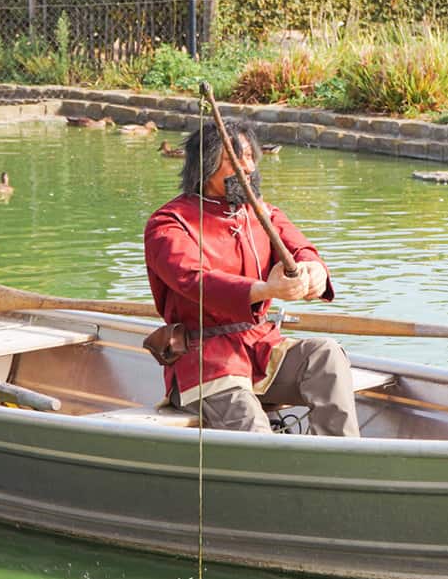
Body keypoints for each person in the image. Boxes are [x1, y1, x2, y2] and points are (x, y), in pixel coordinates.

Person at [143, 122, 361, 437]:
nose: (248, 168)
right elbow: (193, 279)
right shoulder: (169, 223)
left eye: (250, 157)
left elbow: (301, 249)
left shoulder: (263, 214)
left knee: (325, 355)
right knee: (252, 427)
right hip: (206, 361)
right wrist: (266, 290)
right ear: (206, 165)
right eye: (235, 159)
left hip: (261, 346)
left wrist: (314, 272)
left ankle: (337, 458)